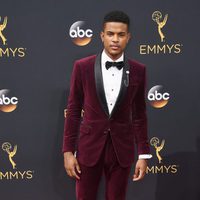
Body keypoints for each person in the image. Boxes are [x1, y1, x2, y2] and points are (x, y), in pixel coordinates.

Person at [62, 10, 152, 200]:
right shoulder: (82, 67)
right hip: (89, 148)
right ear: (102, 36)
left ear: (128, 37)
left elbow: (139, 115)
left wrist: (143, 155)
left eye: (120, 35)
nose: (115, 39)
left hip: (122, 150)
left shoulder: (138, 70)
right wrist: (68, 151)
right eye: (110, 34)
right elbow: (73, 111)